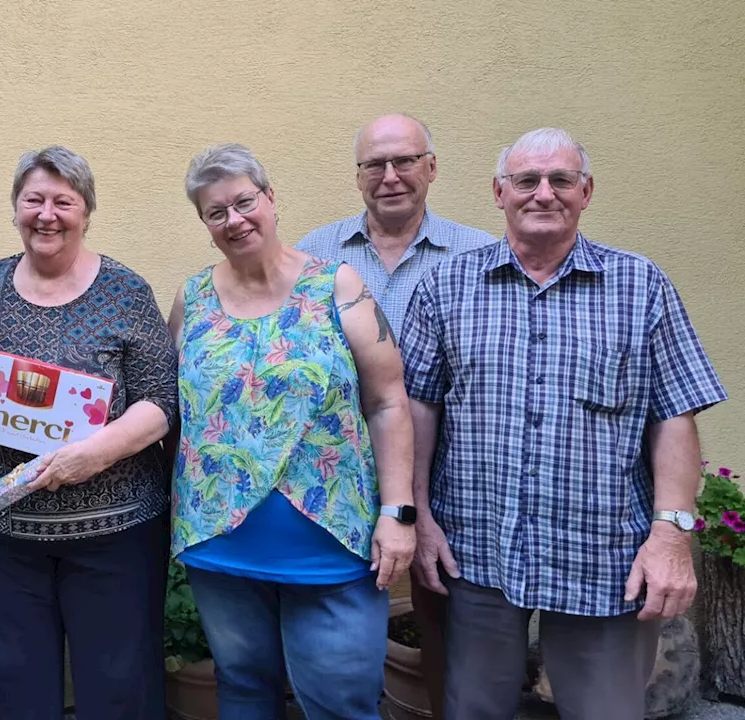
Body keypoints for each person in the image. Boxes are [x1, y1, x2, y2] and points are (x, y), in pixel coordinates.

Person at [400, 127, 727, 719]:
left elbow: (675, 413)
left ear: (587, 191)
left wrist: (672, 535)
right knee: (472, 709)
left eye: (561, 180)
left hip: (602, 557)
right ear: (499, 193)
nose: (543, 193)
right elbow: (419, 409)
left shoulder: (640, 286)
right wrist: (419, 517)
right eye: (526, 180)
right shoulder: (445, 286)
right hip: (476, 552)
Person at [0, 146, 177, 719]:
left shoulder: (126, 293)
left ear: (86, 212)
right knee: (14, 689)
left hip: (115, 533)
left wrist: (93, 454)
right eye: (34, 199)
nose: (47, 214)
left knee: (118, 686)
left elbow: (160, 401)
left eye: (64, 201)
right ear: (15, 209)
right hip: (6, 532)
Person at [169, 143, 416, 720]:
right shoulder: (193, 298)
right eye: (215, 212)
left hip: (330, 544)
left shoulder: (337, 286)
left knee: (342, 703)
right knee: (243, 691)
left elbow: (387, 402)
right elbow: (173, 408)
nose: (234, 220)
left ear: (271, 199)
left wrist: (397, 511)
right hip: (220, 542)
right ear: (204, 223)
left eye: (244, 202)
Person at [295, 113, 495, 714]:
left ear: (431, 168)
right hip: (342, 475)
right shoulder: (315, 254)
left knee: (449, 622)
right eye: (374, 165)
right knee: (339, 626)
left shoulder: (480, 254)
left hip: (454, 467)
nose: (390, 177)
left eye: (404, 161)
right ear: (358, 177)